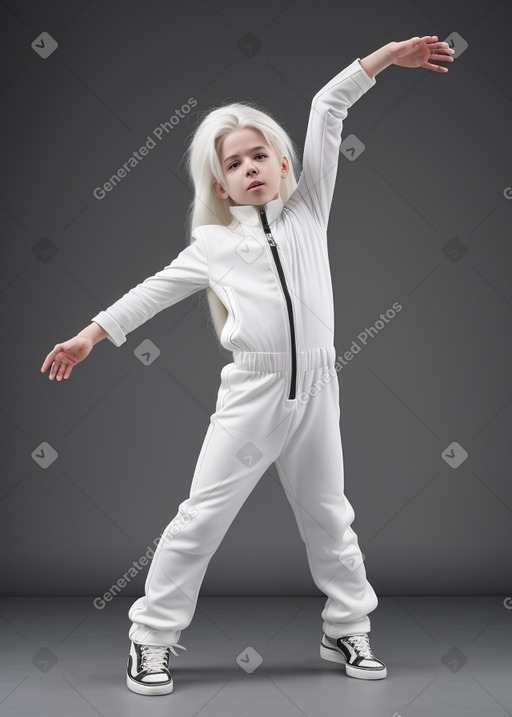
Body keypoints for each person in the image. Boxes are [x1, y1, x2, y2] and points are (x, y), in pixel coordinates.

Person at [41, 36, 454, 696]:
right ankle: (150, 638)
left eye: (261, 154)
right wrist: (91, 334)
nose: (252, 167)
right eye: (236, 163)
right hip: (253, 393)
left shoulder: (308, 210)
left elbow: (328, 104)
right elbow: (153, 288)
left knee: (329, 514)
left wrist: (385, 57)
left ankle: (346, 624)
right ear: (221, 184)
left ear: (284, 164)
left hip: (319, 387)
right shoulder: (214, 244)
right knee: (200, 516)